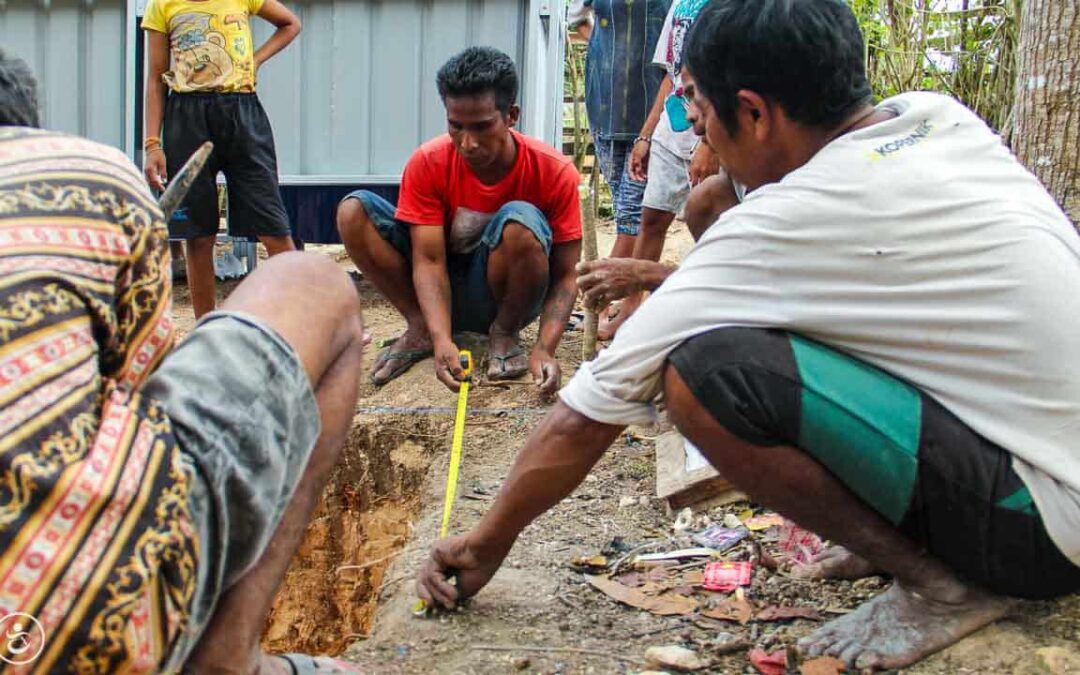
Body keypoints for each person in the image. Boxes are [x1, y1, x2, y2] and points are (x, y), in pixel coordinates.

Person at [416, 1, 1080, 671]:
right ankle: (915, 535)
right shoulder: (935, 118)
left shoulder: (783, 222)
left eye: (698, 103)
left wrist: (485, 541)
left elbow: (585, 415)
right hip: (1042, 466)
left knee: (704, 373)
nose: (694, 124)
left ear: (756, 113)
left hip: (1047, 531)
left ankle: (941, 588)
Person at [0, 50, 365, 673]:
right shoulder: (85, 173)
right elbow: (139, 384)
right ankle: (226, 654)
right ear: (29, 127)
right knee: (312, 281)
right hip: (76, 616)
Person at [337, 47, 582, 394]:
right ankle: (420, 327)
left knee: (520, 224)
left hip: (503, 294)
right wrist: (440, 338)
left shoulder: (554, 172)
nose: (467, 143)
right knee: (353, 212)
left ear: (511, 115)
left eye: (482, 127)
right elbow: (429, 259)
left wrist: (545, 348)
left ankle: (504, 334)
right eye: (456, 126)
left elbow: (566, 274)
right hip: (440, 289)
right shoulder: (428, 162)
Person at [142, 0, 301, 319]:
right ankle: (205, 327)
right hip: (186, 119)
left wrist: (255, 61)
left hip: (242, 114)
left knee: (273, 226)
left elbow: (290, 24)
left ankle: (306, 320)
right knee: (198, 233)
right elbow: (155, 79)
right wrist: (152, 144)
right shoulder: (161, 5)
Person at [599, 0, 719, 338]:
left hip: (714, 127)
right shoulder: (681, 4)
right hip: (673, 127)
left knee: (710, 224)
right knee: (650, 220)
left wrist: (710, 143)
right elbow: (672, 75)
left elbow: (735, 75)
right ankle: (633, 309)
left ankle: (704, 315)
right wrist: (646, 134)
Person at [566, 0, 669, 329]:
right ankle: (622, 305)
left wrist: (649, 133)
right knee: (631, 213)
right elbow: (576, 17)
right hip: (605, 106)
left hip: (651, 111)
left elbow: (676, 57)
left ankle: (618, 305)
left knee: (631, 213)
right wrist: (603, 47)